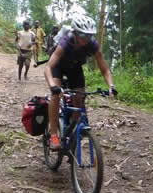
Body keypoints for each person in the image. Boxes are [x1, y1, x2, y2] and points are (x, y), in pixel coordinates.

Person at [44, 14, 115, 150]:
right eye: (83, 35)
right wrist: (53, 86)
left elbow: (105, 69)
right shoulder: (65, 42)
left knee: (80, 100)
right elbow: (48, 67)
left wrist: (111, 86)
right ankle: (54, 135)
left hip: (75, 68)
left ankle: (73, 129)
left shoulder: (92, 45)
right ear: (75, 34)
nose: (86, 39)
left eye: (89, 36)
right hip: (58, 66)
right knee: (55, 96)